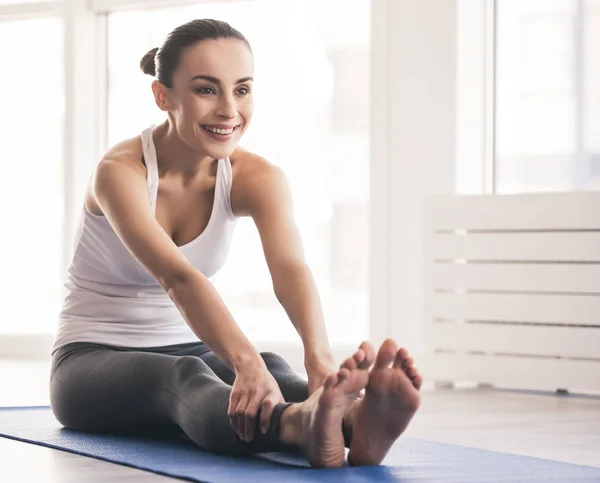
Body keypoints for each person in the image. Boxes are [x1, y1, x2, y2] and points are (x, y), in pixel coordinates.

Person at [49, 18, 422, 468]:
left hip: (194, 344)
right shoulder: (120, 173)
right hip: (89, 360)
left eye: (242, 90)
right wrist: (244, 363)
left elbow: (290, 268)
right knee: (189, 376)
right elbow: (178, 277)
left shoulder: (256, 177)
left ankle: (353, 420)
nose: (229, 109)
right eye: (207, 90)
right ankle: (300, 426)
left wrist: (318, 361)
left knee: (272, 367)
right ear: (162, 96)